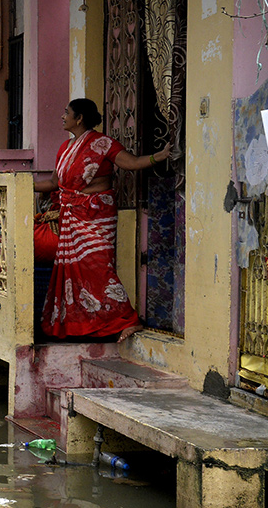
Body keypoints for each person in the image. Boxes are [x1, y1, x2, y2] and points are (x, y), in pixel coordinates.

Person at [34, 98, 171, 342]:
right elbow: (54, 183)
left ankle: (129, 320)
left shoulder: (104, 143)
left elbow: (131, 163)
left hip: (96, 215)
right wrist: (21, 183)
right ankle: (87, 326)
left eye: (67, 113)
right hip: (72, 215)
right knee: (74, 272)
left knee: (99, 267)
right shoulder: (65, 148)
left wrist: (158, 157)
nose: (62, 117)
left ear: (79, 118)